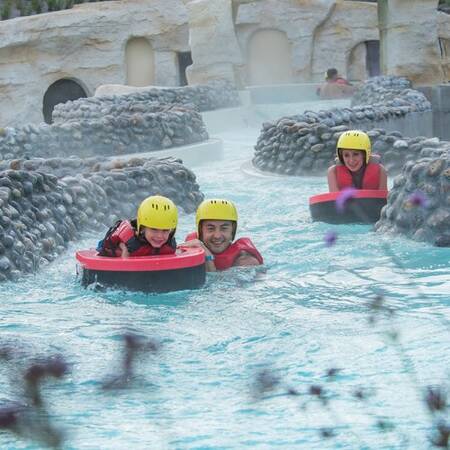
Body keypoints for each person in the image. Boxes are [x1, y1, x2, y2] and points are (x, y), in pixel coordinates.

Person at [180, 198, 263, 272]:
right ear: (200, 231)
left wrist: (208, 258)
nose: (217, 236)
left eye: (224, 228)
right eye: (210, 228)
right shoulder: (191, 247)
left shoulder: (246, 262)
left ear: (232, 231)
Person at [97, 195, 177, 257]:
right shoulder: (130, 245)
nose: (160, 236)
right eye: (154, 229)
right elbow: (124, 267)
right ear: (142, 228)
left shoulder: (170, 244)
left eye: (165, 230)